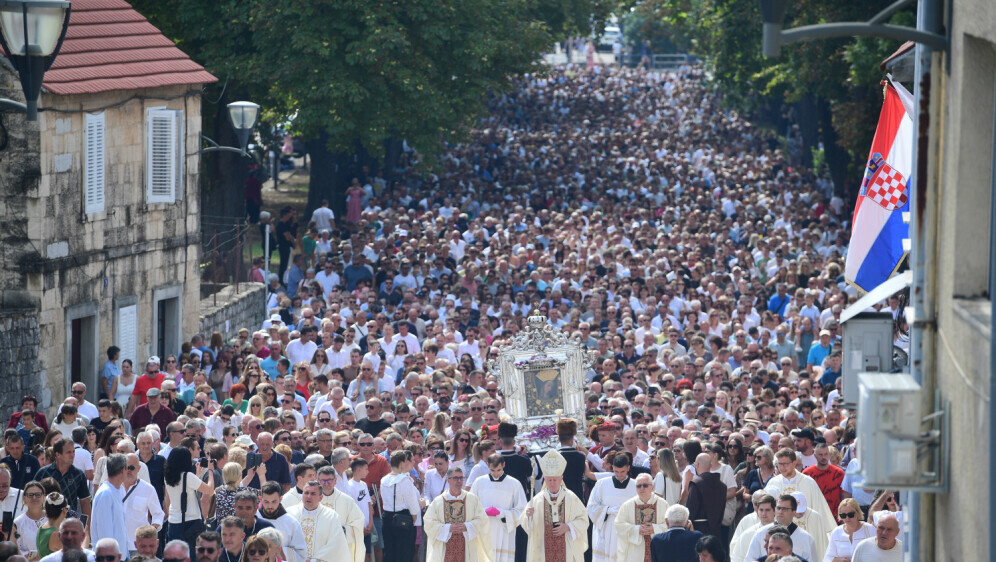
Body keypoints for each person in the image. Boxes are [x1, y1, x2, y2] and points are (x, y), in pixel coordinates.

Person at [520, 449, 588, 562]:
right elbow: (526, 525)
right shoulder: (537, 500)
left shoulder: (571, 498)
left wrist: (568, 527)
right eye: (549, 480)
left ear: (561, 478)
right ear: (545, 479)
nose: (552, 483)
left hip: (567, 547)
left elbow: (584, 519)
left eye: (555, 480)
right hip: (543, 549)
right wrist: (528, 516)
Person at [423, 466, 492, 561]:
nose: (459, 481)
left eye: (461, 478)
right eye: (455, 478)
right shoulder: (438, 501)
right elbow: (429, 523)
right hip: (445, 547)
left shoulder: (472, 499)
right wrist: (448, 528)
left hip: (466, 545)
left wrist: (467, 526)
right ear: (448, 480)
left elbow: (483, 520)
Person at [468, 454, 526, 562]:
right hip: (484, 529)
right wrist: (483, 511)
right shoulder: (479, 482)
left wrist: (503, 513)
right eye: (492, 470)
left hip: (503, 530)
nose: (495, 474)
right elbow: (470, 505)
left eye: (498, 470)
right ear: (487, 465)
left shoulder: (514, 484)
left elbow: (522, 509)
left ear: (504, 465)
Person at [764, 449, 836, 530]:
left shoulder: (809, 482)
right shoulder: (773, 483)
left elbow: (819, 508)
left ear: (794, 463)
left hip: (805, 529)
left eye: (786, 464)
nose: (782, 467)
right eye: (780, 464)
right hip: (780, 532)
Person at [164, 448, 214, 557]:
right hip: (190, 523)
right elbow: (210, 489)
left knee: (176, 557)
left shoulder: (168, 476)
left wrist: (197, 476)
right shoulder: (188, 476)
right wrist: (210, 471)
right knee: (191, 557)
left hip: (173, 522)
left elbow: (169, 497)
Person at [587, 452, 637, 562]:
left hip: (627, 529)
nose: (619, 475)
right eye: (616, 471)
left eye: (622, 472)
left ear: (628, 468)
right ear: (612, 467)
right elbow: (591, 507)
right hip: (606, 529)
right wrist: (608, 510)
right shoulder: (601, 484)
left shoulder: (636, 485)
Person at [284, 481, 347, 562]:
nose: (309, 496)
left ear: (320, 498)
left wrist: (314, 560)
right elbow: (284, 540)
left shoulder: (331, 516)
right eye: (306, 493)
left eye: (313, 494)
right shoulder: (290, 514)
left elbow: (336, 543)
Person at [614, 473, 669, 562]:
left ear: (652, 487)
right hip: (635, 550)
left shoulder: (663, 504)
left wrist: (655, 528)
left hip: (658, 548)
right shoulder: (627, 505)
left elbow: (670, 525)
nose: (642, 488)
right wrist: (637, 529)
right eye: (638, 486)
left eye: (645, 485)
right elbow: (619, 524)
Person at [315, 467, 365, 562]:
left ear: (335, 481)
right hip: (319, 546)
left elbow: (358, 521)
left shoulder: (346, 500)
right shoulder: (312, 499)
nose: (326, 483)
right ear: (318, 481)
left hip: (340, 547)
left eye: (329, 480)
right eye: (323, 480)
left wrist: (343, 530)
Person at [380, 451, 420, 562]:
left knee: (389, 551)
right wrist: (414, 517)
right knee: (405, 553)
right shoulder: (404, 480)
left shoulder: (384, 480)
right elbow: (412, 504)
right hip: (403, 517)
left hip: (387, 517)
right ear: (402, 462)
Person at [35, 441, 90, 519]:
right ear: (57, 454)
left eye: (73, 451)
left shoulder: (78, 474)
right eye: (68, 452)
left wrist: (86, 525)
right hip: (46, 521)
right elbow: (33, 496)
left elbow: (84, 501)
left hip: (69, 523)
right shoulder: (43, 473)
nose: (72, 455)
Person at [88, 454, 129, 558]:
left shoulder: (116, 490)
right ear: (123, 470)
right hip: (109, 557)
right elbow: (105, 532)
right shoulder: (105, 494)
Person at [255, 483, 306, 562]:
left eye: (274, 501)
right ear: (260, 499)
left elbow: (301, 554)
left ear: (281, 499)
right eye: (266, 501)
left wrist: (277, 550)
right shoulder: (253, 519)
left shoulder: (291, 523)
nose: (270, 506)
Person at [685, 453, 726, 538]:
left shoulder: (696, 484)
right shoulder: (722, 486)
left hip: (698, 531)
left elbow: (691, 509)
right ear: (710, 465)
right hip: (716, 530)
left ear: (697, 464)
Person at [12, 481, 46, 558]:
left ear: (44, 496)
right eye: (30, 495)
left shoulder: (52, 518)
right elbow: (16, 549)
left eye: (38, 495)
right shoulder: (18, 523)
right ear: (24, 498)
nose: (34, 498)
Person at [35, 493, 68, 559]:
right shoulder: (56, 535)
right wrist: (86, 536)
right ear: (64, 510)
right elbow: (76, 556)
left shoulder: (41, 527)